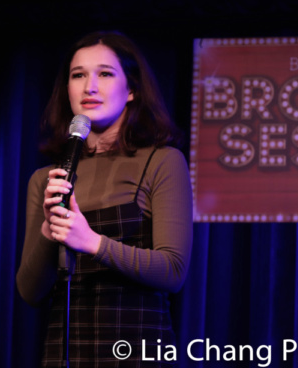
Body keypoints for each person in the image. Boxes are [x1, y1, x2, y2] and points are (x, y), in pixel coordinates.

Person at [16, 31, 193, 367]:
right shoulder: (46, 179)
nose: (89, 87)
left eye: (105, 74)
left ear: (132, 90)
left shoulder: (162, 161)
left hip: (139, 352)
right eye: (78, 75)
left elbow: (173, 271)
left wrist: (93, 242)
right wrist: (48, 234)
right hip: (65, 353)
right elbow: (30, 291)